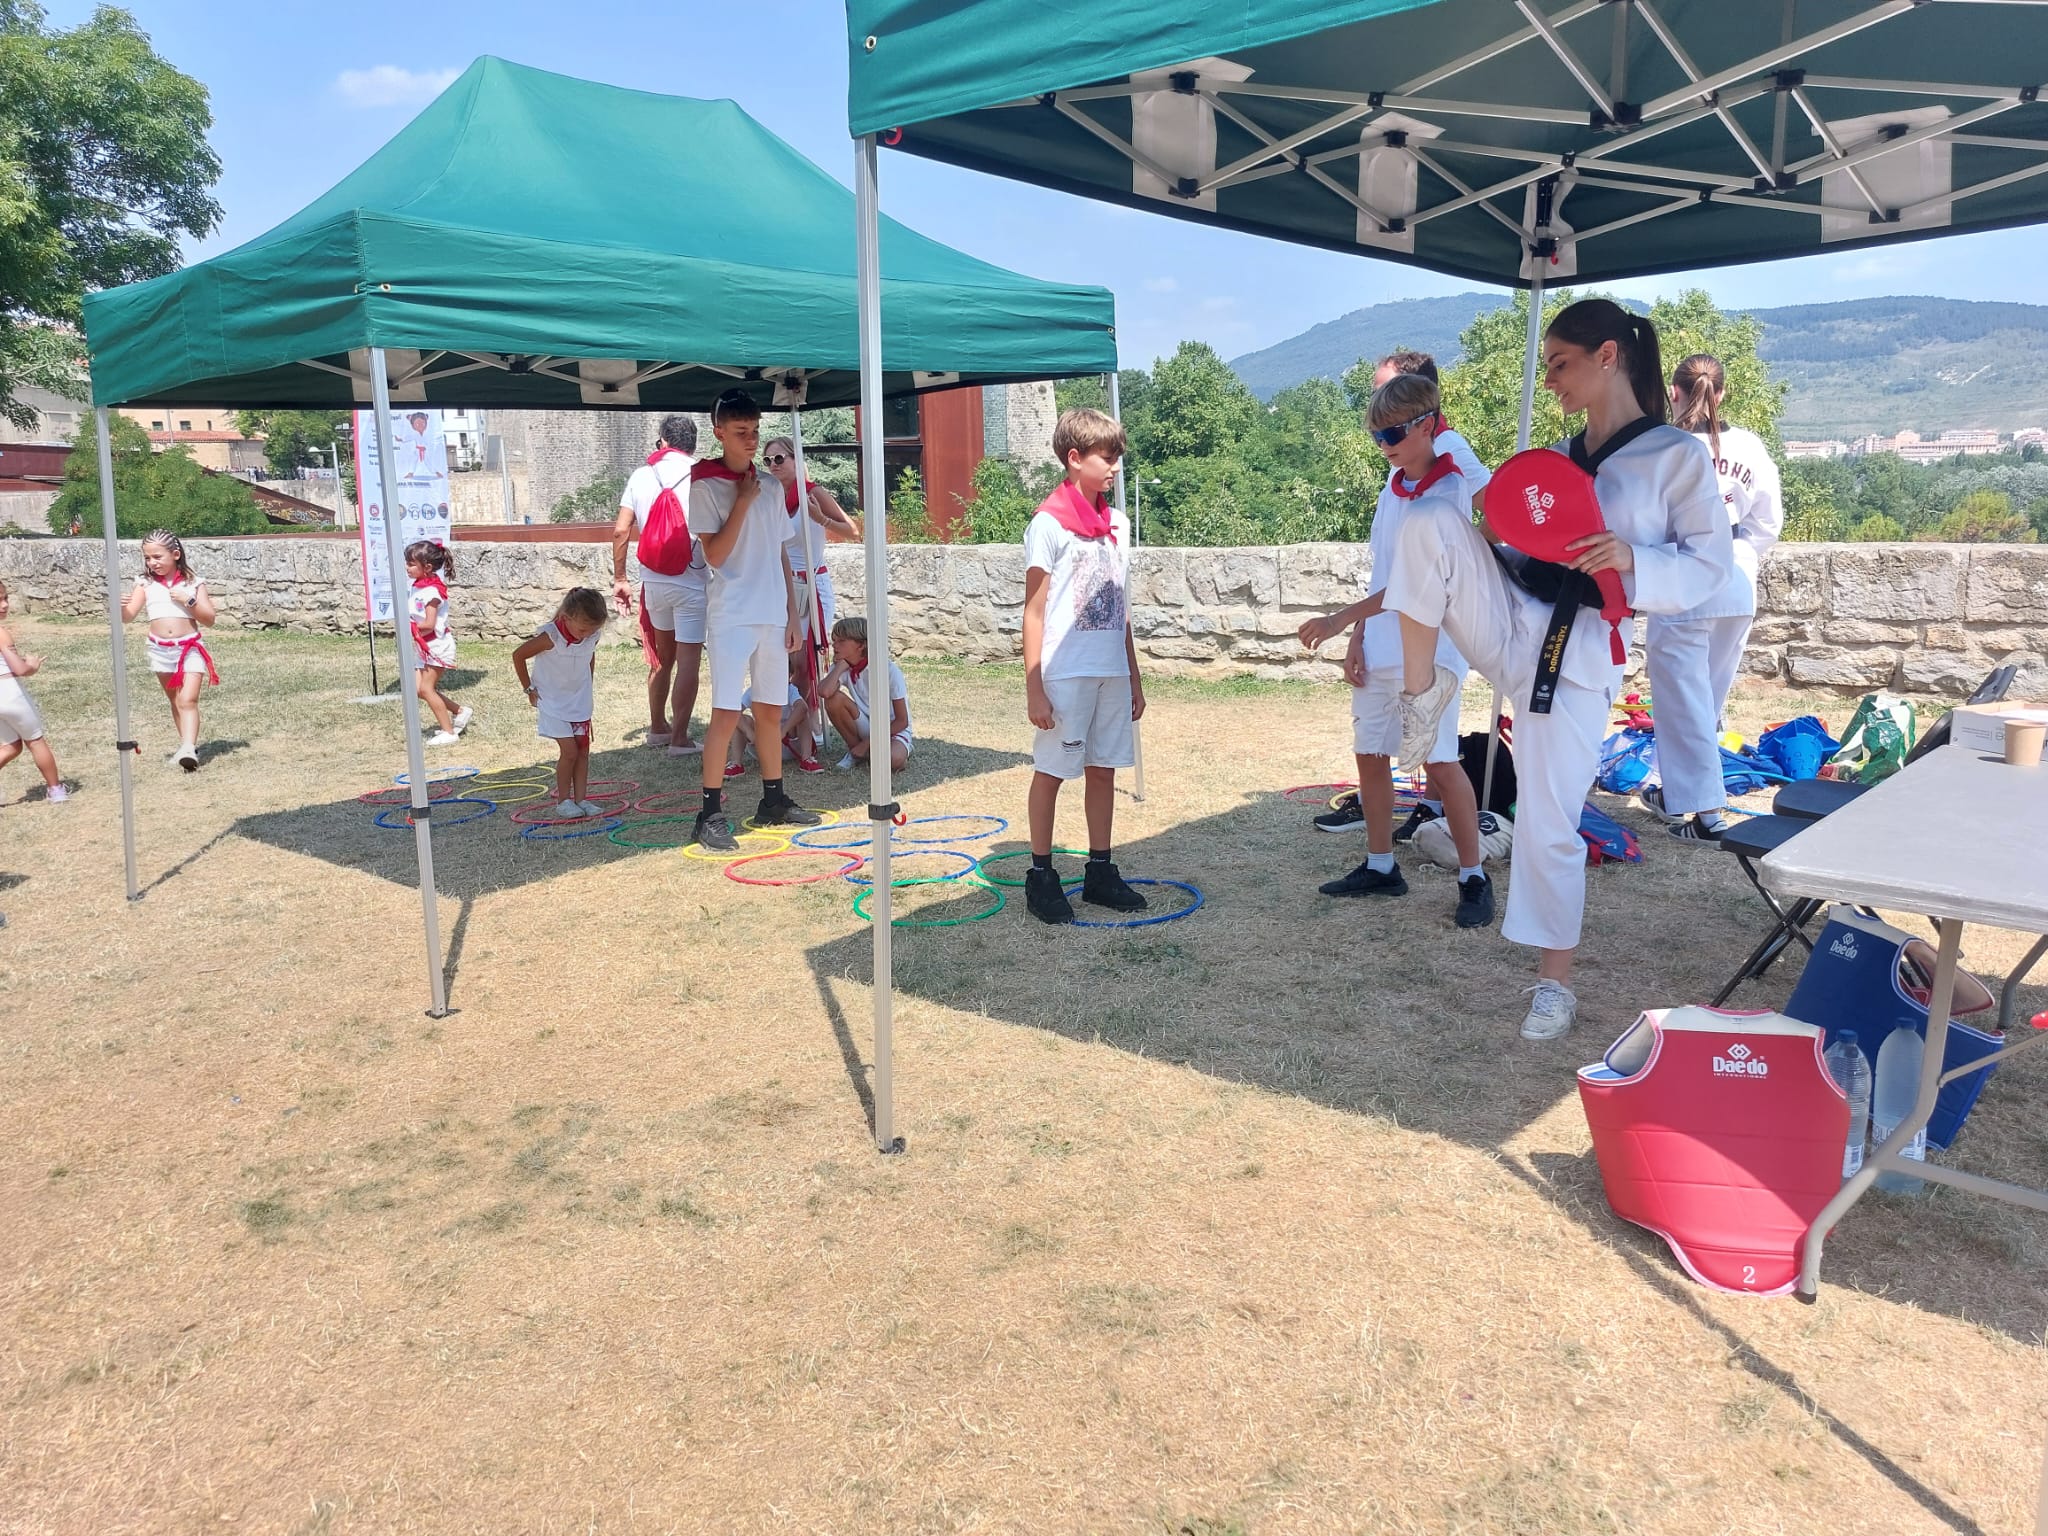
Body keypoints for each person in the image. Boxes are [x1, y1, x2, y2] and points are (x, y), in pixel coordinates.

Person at [1386, 299, 1730, 1040]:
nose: (1550, 382)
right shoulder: (1559, 458)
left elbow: (1710, 568)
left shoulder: (1675, 456)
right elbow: (1530, 546)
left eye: (1560, 364)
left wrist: (1633, 557)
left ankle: (1555, 986)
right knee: (1431, 521)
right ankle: (1420, 695)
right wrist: (1492, 542)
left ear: (1608, 356)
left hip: (1576, 655)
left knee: (1546, 822)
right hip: (1515, 615)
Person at [1297, 372, 1494, 928]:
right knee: (1370, 751)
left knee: (1440, 760)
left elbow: (1413, 582)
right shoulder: (1394, 484)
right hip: (1383, 642)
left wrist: (1339, 619)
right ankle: (1381, 864)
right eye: (1376, 435)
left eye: (1393, 434)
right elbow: (1383, 569)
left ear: (1429, 425)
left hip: (1431, 651)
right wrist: (1359, 637)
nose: (1384, 446)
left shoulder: (1448, 490)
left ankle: (1473, 875)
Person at [1641, 354, 1784, 842]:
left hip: (1682, 575)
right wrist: (1736, 553)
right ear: (1721, 393)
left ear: (1674, 393)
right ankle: (1675, 794)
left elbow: (1643, 519)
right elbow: (1768, 521)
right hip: (1735, 575)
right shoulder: (1749, 446)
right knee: (1706, 704)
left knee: (1685, 707)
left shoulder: (1663, 446)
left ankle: (1707, 815)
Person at [1021, 407, 1147, 925]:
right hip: (1066, 671)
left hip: (1110, 670)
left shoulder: (1117, 524)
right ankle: (1041, 874)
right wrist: (1034, 687)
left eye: (1118, 457)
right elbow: (1033, 611)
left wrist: (1133, 674)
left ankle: (1100, 870)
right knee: (1053, 770)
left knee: (1104, 767)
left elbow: (1121, 607)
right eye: (1106, 457)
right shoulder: (1048, 524)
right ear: (1075, 459)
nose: (1115, 467)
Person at [687, 388, 819, 851]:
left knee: (769, 709)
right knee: (726, 712)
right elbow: (716, 555)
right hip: (732, 615)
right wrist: (742, 501)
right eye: (741, 431)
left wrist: (792, 614)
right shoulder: (705, 486)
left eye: (755, 431)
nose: (750, 440)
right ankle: (709, 814)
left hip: (771, 613)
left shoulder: (770, 486)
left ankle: (773, 800)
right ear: (719, 433)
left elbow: (781, 550)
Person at [764, 434, 860, 771]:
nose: (773, 465)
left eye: (780, 458)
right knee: (787, 659)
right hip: (780, 585)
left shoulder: (812, 492)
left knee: (807, 659)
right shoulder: (768, 496)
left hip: (811, 583)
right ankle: (798, 721)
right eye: (768, 460)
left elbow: (852, 531)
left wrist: (820, 519)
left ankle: (812, 725)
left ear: (795, 459)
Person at [613, 415, 707, 756]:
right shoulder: (701, 475)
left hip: (653, 580)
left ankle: (657, 727)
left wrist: (620, 578)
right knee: (689, 659)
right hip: (691, 579)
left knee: (662, 658)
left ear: (663, 441)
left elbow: (621, 530)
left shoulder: (642, 475)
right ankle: (680, 738)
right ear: (692, 444)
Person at [120, 529, 218, 771]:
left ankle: (188, 748)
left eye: (157, 557)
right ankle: (187, 746)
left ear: (175, 554)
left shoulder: (193, 583)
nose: (152, 563)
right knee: (175, 700)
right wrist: (120, 607)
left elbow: (209, 619)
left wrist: (188, 600)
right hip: (160, 649)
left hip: (190, 647)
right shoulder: (145, 583)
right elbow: (128, 616)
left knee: (188, 699)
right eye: (147, 558)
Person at [512, 586, 609, 817]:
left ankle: (581, 799)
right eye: (583, 629)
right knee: (570, 752)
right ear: (566, 617)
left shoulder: (591, 636)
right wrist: (529, 688)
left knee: (583, 752)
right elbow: (518, 655)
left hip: (579, 702)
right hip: (553, 702)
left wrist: (588, 681)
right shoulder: (550, 637)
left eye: (593, 630)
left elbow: (589, 655)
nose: (586, 634)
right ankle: (564, 800)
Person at [0, 579, 65, 802]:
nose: (4, 605)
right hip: (10, 694)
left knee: (11, 746)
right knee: (35, 741)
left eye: (5, 598)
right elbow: (20, 669)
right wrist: (32, 664)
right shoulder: (2, 633)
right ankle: (56, 790)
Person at [820, 615, 912, 772]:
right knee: (833, 700)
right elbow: (825, 692)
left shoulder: (888, 670)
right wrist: (840, 667)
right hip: (864, 723)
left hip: (890, 729)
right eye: (834, 640)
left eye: (841, 641)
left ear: (861, 645)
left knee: (893, 759)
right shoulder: (844, 666)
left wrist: (867, 743)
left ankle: (869, 751)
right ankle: (855, 751)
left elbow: (902, 721)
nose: (834, 645)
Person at [404, 540, 470, 747]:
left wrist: (409, 627)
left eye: (411, 564)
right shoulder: (417, 587)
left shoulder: (432, 592)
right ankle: (460, 711)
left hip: (437, 646)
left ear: (427, 567)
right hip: (423, 646)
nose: (407, 567)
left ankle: (449, 732)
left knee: (426, 689)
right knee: (418, 689)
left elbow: (429, 624)